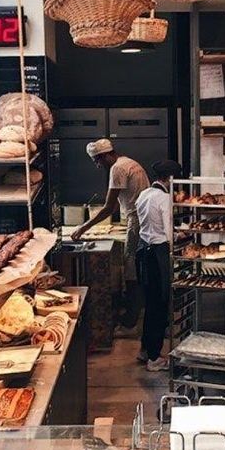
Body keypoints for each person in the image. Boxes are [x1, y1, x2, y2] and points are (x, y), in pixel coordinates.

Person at [71, 139, 149, 326]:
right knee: (137, 263)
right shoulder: (130, 162)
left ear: (106, 155)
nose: (98, 165)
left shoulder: (117, 168)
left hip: (136, 219)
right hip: (144, 217)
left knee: (130, 264)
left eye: (98, 161)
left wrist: (83, 228)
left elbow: (109, 207)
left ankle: (131, 317)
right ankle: (134, 308)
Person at [135, 160, 183, 371]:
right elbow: (169, 233)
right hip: (158, 255)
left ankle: (145, 350)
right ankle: (154, 358)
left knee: (150, 303)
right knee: (160, 306)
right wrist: (183, 234)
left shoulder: (144, 194)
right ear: (170, 179)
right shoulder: (164, 198)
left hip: (143, 252)